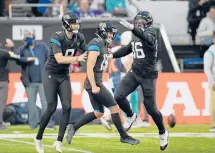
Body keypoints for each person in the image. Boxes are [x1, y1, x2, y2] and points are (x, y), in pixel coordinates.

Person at [66, 21, 140, 145]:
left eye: (112, 33)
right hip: (94, 83)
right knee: (114, 107)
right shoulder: (96, 45)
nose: (111, 36)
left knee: (99, 112)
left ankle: (73, 127)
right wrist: (94, 85)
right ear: (103, 32)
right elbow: (89, 67)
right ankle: (124, 136)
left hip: (93, 82)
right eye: (110, 33)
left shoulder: (103, 44)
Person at [107, 11, 169, 150]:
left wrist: (134, 29)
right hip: (135, 71)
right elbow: (128, 49)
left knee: (151, 108)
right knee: (118, 96)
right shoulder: (135, 34)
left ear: (147, 23)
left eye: (140, 22)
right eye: (137, 22)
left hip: (148, 75)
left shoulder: (151, 32)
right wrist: (112, 56)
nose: (137, 24)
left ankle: (162, 131)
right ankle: (131, 115)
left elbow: (148, 39)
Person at [34, 12, 88, 153]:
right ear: (66, 24)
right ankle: (38, 138)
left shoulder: (79, 37)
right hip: (51, 74)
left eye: (77, 23)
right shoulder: (57, 36)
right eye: (74, 23)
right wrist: (78, 59)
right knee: (51, 107)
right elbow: (59, 59)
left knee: (67, 106)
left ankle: (58, 141)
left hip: (64, 75)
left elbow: (88, 52)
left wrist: (101, 52)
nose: (76, 25)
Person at [16, 29, 55, 130]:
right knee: (31, 104)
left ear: (33, 37)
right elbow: (17, 59)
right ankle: (33, 124)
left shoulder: (42, 46)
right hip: (29, 81)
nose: (28, 39)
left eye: (29, 37)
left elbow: (50, 58)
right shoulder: (23, 49)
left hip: (43, 80)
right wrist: (26, 59)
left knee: (45, 103)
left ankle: (48, 123)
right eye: (26, 37)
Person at [0, 39, 35, 130]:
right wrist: (12, 47)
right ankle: (0, 124)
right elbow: (18, 56)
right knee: (1, 103)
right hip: (2, 81)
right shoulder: (4, 53)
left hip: (3, 81)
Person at [203, 31, 215, 132]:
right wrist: (212, 82)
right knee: (214, 104)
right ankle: (214, 124)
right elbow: (207, 68)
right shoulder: (210, 52)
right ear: (213, 40)